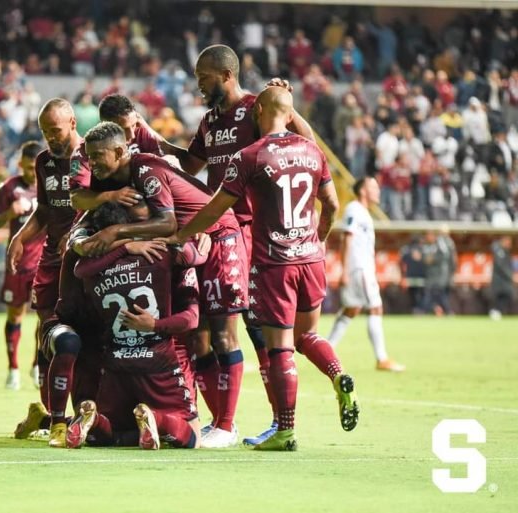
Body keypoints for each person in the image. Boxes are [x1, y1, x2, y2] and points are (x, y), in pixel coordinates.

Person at [163, 86, 357, 450]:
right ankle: (339, 374)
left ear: (261, 110)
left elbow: (215, 207)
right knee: (307, 337)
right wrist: (317, 239)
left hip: (275, 263)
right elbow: (330, 204)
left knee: (280, 347)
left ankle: (284, 431)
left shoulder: (250, 155)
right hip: (311, 257)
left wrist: (183, 234)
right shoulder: (313, 151)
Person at [158, 44, 315, 446]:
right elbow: (191, 167)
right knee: (206, 331)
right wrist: (152, 143)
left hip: (248, 232)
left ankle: (280, 423)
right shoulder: (210, 121)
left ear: (225, 75)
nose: (198, 85)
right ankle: (223, 421)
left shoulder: (255, 108)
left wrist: (289, 108)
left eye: (203, 77)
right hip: (216, 231)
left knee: (256, 330)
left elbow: (305, 144)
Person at [81, 121, 248, 448]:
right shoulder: (115, 179)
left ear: (120, 151)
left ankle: (225, 425)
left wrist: (116, 234)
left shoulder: (144, 169)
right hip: (183, 244)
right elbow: (82, 207)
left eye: (98, 156)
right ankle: (198, 420)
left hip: (215, 236)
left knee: (221, 334)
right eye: (89, 157)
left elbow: (167, 221)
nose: (93, 164)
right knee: (197, 338)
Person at [66, 203, 201, 450]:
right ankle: (156, 419)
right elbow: (192, 316)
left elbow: (79, 269)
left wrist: (121, 247)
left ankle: (94, 420)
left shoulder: (91, 268)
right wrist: (155, 324)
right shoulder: (160, 254)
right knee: (193, 437)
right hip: (158, 363)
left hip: (116, 365)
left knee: (114, 433)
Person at [6, 98, 91, 448]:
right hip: (51, 261)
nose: (50, 138)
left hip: (85, 262)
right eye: (44, 132)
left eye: (54, 131)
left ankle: (80, 411)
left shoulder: (91, 154)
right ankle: (50, 413)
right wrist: (20, 237)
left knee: (84, 337)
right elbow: (43, 209)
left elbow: (98, 202)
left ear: (72, 123)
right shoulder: (43, 161)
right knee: (48, 333)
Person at [327, 177, 405, 372]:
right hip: (359, 268)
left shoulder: (362, 212)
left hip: (359, 268)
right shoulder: (355, 209)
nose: (378, 191)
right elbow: (347, 238)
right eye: (373, 187)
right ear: (362, 191)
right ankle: (382, 358)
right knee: (376, 308)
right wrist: (344, 270)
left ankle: (326, 351)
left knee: (351, 309)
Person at [0, 140, 44, 390]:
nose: (33, 173)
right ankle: (13, 369)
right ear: (20, 164)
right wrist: (9, 213)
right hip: (17, 264)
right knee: (16, 314)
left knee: (46, 317)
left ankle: (37, 363)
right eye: (29, 167)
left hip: (44, 263)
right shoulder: (9, 187)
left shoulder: (49, 187)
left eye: (36, 168)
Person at [69, 93, 163, 212]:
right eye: (123, 129)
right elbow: (76, 199)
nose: (132, 135)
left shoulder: (142, 134)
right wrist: (111, 196)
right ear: (105, 124)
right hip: (100, 216)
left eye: (133, 125)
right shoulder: (86, 151)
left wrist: (149, 129)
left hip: (144, 213)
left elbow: (171, 169)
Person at [489, 235, 515, 320]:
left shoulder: (505, 251)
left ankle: (498, 311)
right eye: (508, 242)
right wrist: (511, 276)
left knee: (506, 295)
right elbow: (502, 267)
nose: (509, 245)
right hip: (499, 279)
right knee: (499, 295)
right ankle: (496, 311)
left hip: (505, 280)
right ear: (503, 242)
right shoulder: (499, 251)